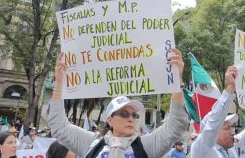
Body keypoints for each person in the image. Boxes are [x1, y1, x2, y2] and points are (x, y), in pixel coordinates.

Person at [46, 48, 190, 158]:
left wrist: (177, 82)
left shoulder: (147, 145)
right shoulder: (91, 143)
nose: (130, 118)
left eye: (134, 115)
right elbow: (59, 126)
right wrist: (59, 84)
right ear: (109, 119)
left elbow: (176, 126)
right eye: (124, 114)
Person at [191, 65, 239, 158]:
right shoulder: (202, 149)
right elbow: (214, 122)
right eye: (227, 128)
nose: (232, 133)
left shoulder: (230, 149)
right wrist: (230, 88)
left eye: (231, 127)